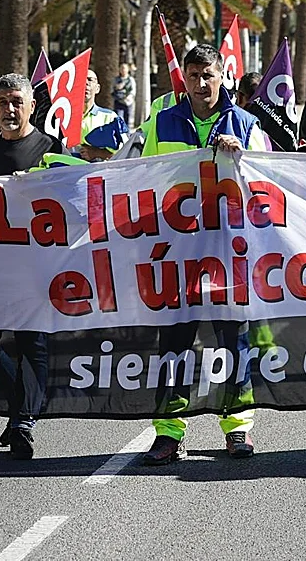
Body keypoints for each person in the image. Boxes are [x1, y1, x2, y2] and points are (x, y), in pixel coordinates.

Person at [139, 45, 269, 466]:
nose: (200, 83)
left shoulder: (247, 125)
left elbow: (270, 186)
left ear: (222, 77)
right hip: (176, 255)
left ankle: (237, 429)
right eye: (193, 75)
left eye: (208, 75)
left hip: (230, 255)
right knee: (174, 343)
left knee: (234, 341)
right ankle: (169, 433)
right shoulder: (161, 124)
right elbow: (137, 180)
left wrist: (243, 160)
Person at [0, 74, 64, 459]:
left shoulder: (49, 147)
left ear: (31, 106)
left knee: (32, 343)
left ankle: (23, 421)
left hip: (36, 265)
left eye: (17, 102)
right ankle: (17, 407)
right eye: (2, 101)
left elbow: (70, 201)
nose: (9, 109)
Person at [79, 69, 129, 161]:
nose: (85, 83)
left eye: (90, 80)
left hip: (97, 174)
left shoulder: (110, 117)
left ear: (97, 88)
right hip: (66, 174)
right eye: (81, 79)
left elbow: (126, 154)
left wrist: (97, 153)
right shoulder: (62, 119)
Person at [112, 62, 136, 128]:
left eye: (124, 68)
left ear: (128, 69)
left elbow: (133, 91)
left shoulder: (130, 80)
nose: (123, 70)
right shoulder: (116, 79)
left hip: (128, 102)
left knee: (127, 119)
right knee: (118, 118)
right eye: (121, 68)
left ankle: (127, 135)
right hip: (118, 102)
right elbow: (112, 90)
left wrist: (128, 97)